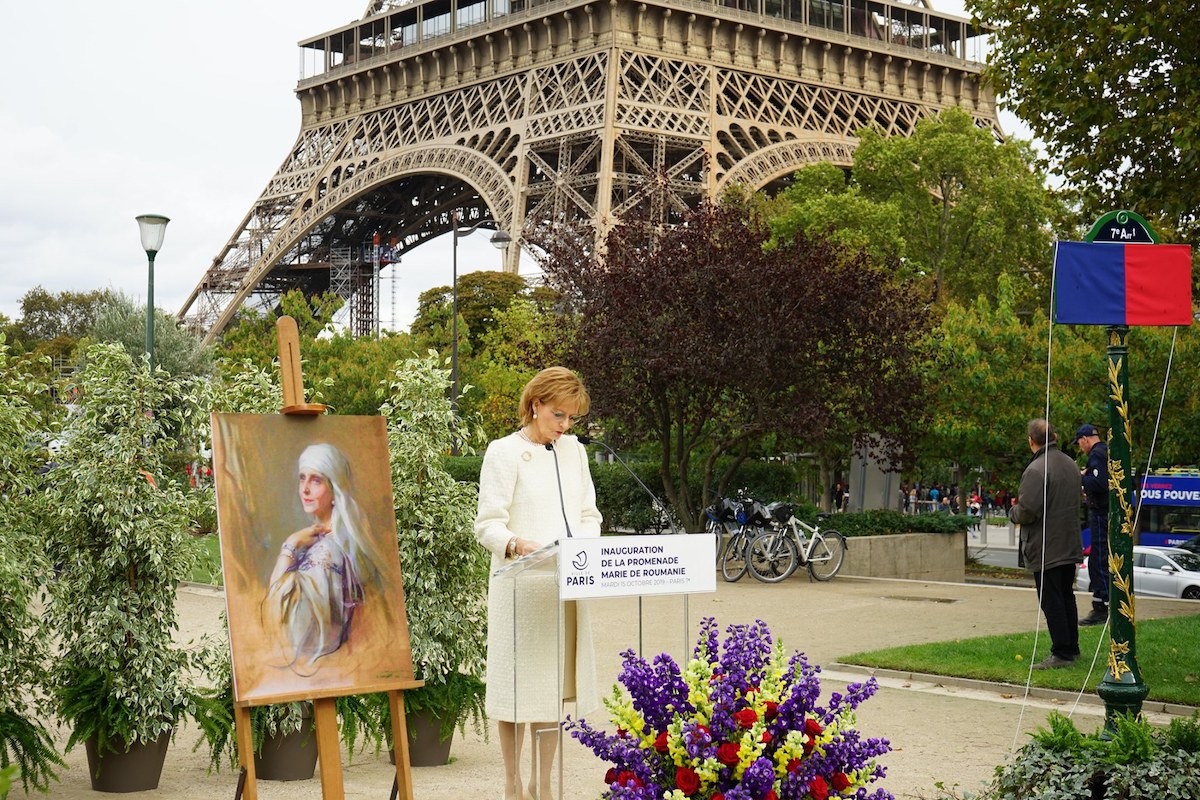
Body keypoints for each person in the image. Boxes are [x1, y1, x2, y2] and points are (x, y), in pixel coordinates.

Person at [475, 367, 602, 800]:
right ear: (535, 405)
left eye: (571, 419)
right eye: (558, 416)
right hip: (520, 587)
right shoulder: (503, 452)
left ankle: (543, 785)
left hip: (564, 584)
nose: (565, 426)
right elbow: (487, 524)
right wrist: (515, 544)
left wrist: (583, 547)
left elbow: (590, 514)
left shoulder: (575, 453)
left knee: (550, 691)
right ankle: (512, 785)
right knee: (515, 692)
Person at [263, 443, 385, 676]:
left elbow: (275, 604)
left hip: (320, 665)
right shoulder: (336, 537)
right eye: (302, 478)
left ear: (334, 488)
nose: (305, 489)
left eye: (316, 480)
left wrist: (289, 545)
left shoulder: (326, 551)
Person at [1009, 419, 1084, 669]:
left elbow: (1027, 510)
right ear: (1054, 436)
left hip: (1046, 546)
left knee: (1051, 599)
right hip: (1068, 542)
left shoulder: (1036, 469)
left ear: (1031, 440)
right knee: (1065, 596)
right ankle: (1071, 649)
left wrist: (1013, 512)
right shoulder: (1070, 464)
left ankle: (1062, 653)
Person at [1074, 423, 1109, 626]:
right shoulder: (1106, 451)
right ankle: (1101, 603)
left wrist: (1081, 477)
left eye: (1079, 443)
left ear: (1085, 439)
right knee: (1099, 557)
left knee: (1097, 559)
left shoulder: (1096, 454)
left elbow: (1100, 483)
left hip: (1100, 512)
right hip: (1104, 510)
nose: (1080, 447)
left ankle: (1101, 607)